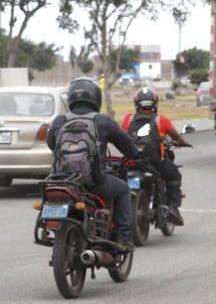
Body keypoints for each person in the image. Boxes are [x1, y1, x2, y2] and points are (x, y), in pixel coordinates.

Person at [46, 77, 141, 248]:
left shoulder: (60, 120)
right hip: (93, 181)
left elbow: (51, 144)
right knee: (123, 190)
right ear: (96, 98)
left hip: (63, 181)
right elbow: (127, 145)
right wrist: (136, 154)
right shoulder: (102, 121)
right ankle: (120, 238)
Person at [121, 88, 189, 225]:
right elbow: (176, 136)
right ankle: (174, 208)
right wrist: (182, 142)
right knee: (174, 175)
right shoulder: (161, 120)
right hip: (154, 162)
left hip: (131, 161)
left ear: (137, 104)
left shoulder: (128, 119)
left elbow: (120, 136)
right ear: (155, 104)